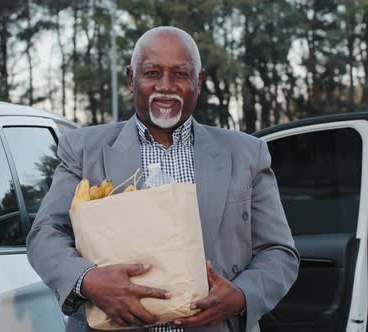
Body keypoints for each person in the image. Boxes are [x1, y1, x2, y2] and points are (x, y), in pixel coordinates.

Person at [26, 26, 299, 332]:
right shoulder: (84, 150)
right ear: (131, 79)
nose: (165, 86)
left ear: (200, 81)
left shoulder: (247, 154)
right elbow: (45, 235)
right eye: (152, 73)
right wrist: (88, 280)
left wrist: (240, 295)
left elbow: (279, 253)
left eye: (180, 74)